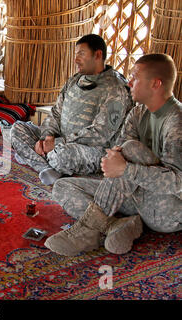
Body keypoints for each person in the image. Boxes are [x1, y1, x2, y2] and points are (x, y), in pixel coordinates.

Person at [45, 53, 181, 256]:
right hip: (135, 195)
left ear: (155, 84)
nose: (130, 81)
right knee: (63, 187)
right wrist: (120, 166)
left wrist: (126, 169)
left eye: (135, 77)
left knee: (131, 149)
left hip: (166, 210)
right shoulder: (137, 114)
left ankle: (87, 231)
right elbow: (115, 153)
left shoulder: (177, 121)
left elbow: (178, 182)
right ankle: (117, 226)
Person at [10, 34, 133, 185]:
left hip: (92, 149)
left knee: (61, 156)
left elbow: (101, 134)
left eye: (81, 54)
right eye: (76, 54)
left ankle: (35, 158)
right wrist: (46, 137)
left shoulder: (115, 88)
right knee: (17, 128)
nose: (76, 60)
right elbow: (56, 112)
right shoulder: (75, 80)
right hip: (60, 140)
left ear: (98, 55)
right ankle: (46, 167)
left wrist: (58, 143)